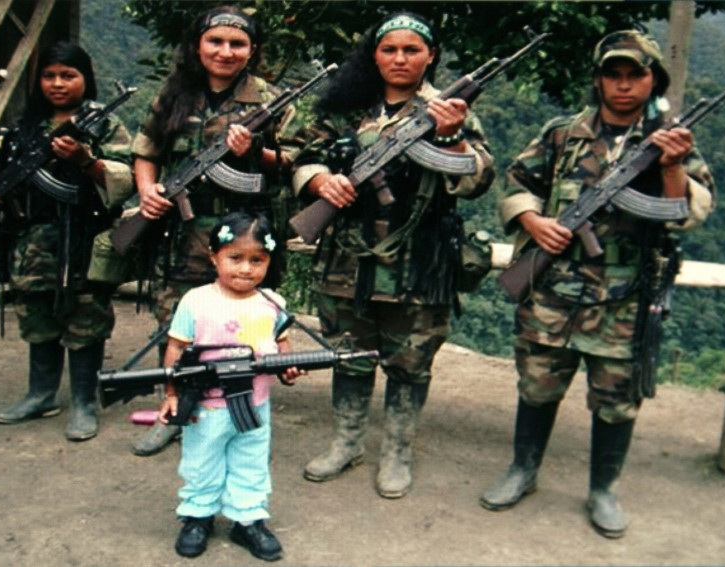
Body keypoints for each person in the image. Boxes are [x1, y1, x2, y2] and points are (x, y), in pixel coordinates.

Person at [483, 30, 715, 538]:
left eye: (637, 75)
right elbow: (518, 182)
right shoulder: (563, 133)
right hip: (552, 294)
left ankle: (603, 489)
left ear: (655, 80)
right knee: (537, 387)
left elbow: (687, 214)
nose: (624, 85)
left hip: (625, 301)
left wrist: (672, 165)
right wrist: (533, 222)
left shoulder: (669, 142)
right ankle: (523, 471)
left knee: (616, 401)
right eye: (614, 74)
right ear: (598, 79)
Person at [292, 12, 494, 498]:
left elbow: (477, 179)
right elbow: (302, 155)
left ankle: (398, 450)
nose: (400, 59)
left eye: (411, 50)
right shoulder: (347, 106)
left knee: (410, 362)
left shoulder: (450, 110)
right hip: (348, 258)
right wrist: (323, 181)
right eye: (389, 50)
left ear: (431, 56)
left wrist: (450, 137)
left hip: (419, 264)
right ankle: (346, 442)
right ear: (375, 55)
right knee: (349, 356)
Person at [130, 5, 294, 457]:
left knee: (239, 329)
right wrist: (148, 192)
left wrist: (255, 151)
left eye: (237, 43)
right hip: (181, 233)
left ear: (252, 50)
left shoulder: (271, 99)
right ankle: (175, 411)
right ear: (197, 46)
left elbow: (292, 165)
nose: (225, 51)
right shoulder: (173, 94)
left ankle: (232, 415)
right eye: (215, 41)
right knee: (177, 325)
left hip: (243, 239)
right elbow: (146, 150)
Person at [0, 41, 133, 441]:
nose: (57, 84)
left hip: (83, 238)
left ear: (85, 79)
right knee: (36, 315)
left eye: (68, 75)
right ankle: (40, 395)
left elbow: (124, 176)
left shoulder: (104, 124)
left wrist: (85, 161)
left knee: (86, 316)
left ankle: (84, 402)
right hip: (31, 242)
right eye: (49, 75)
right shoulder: (21, 128)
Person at [158, 211, 300, 561]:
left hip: (255, 404)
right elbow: (174, 349)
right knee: (201, 462)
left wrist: (288, 365)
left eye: (257, 260)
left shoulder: (272, 303)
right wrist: (172, 394)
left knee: (251, 461)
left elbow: (282, 341)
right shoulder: (196, 301)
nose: (246, 269)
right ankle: (198, 516)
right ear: (214, 257)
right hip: (206, 406)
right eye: (235, 258)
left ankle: (247, 519)